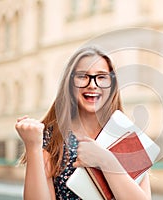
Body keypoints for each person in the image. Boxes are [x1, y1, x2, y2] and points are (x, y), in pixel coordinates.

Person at [15, 46, 152, 200]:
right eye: (82, 76)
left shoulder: (126, 136)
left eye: (101, 77)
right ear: (70, 83)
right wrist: (33, 146)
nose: (92, 84)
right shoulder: (53, 139)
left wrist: (106, 161)